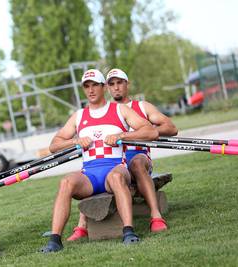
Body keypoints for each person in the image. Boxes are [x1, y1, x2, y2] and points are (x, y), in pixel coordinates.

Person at [40, 69, 159, 253]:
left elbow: (151, 132)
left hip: (115, 169)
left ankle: (128, 232)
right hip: (90, 176)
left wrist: (122, 135)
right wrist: (75, 141)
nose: (91, 90)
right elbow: (54, 145)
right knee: (66, 182)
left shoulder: (119, 109)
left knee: (117, 178)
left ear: (104, 87)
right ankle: (54, 241)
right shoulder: (79, 116)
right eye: (86, 86)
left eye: (95, 85)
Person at [66, 68, 178, 241]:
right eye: (112, 84)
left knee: (136, 164)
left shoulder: (141, 107)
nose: (116, 87)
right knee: (87, 171)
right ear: (106, 87)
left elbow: (171, 128)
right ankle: (82, 226)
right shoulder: (107, 111)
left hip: (137, 157)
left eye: (120, 83)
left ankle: (156, 216)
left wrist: (139, 133)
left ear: (127, 84)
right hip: (114, 162)